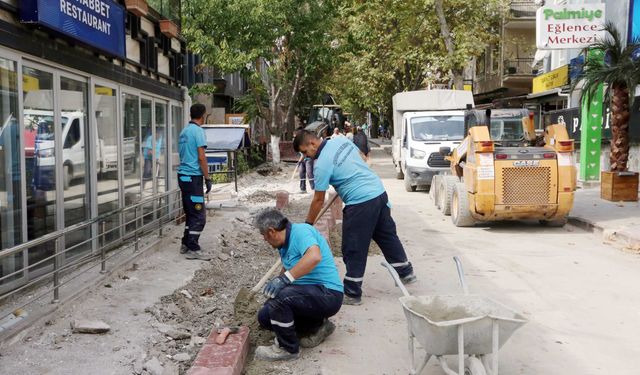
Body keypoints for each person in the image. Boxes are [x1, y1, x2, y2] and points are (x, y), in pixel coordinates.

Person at [293, 130, 416, 305]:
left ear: (312, 144)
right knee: (386, 235)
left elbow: (318, 200)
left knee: (353, 245)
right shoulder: (340, 141)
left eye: (305, 152)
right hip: (378, 193)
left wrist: (307, 225)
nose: (306, 157)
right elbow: (360, 157)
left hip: (360, 202)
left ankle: (352, 291)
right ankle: (405, 271)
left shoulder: (321, 165)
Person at [254, 209, 343, 361]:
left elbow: (314, 256)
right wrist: (277, 283)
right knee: (265, 316)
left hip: (327, 293)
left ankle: (287, 349)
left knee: (280, 300)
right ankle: (317, 326)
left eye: (263, 235)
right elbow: (288, 267)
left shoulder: (301, 232)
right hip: (309, 295)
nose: (264, 240)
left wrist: (284, 281)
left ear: (271, 231)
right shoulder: (284, 243)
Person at [177, 104, 212, 260]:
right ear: (202, 115)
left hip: (183, 177)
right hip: (193, 178)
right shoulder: (198, 132)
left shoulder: (184, 132)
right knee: (199, 214)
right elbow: (201, 157)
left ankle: (185, 243)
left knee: (190, 212)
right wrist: (207, 177)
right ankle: (193, 247)